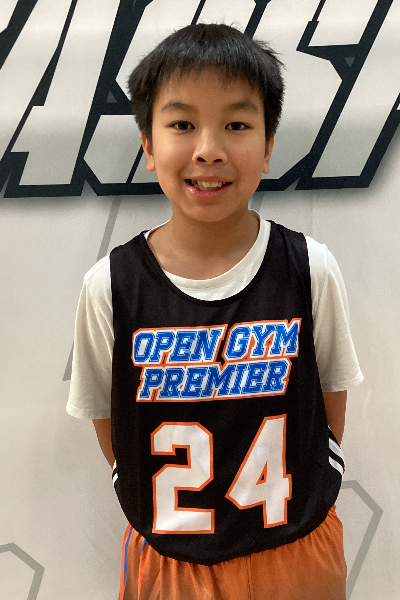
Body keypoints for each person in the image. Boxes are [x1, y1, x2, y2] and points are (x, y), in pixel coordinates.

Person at [66, 23, 363, 600]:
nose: (208, 149)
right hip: (170, 561)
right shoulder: (111, 285)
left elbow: (329, 403)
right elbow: (109, 420)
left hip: (298, 548)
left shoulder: (310, 268)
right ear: (148, 144)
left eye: (236, 124)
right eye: (182, 125)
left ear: (268, 145)